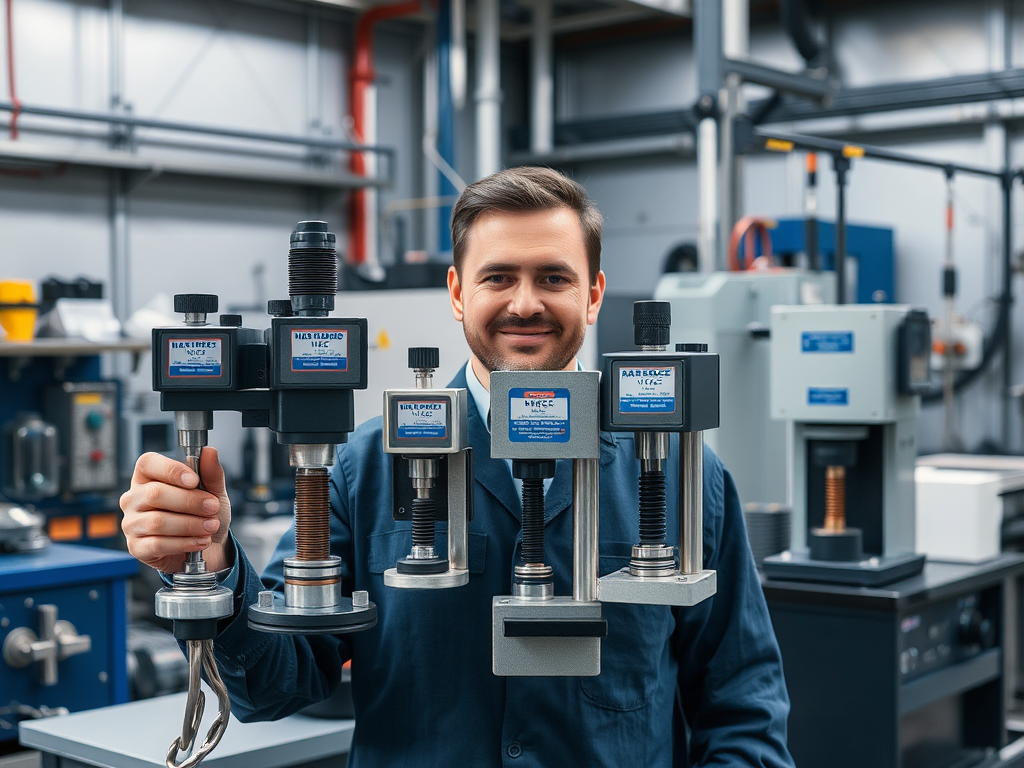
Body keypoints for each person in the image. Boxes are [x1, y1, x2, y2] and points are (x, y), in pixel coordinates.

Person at [121, 167, 794, 767]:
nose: (525, 303)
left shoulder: (683, 476)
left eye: (554, 278)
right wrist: (211, 565)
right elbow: (274, 685)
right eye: (498, 276)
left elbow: (743, 702)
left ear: (594, 295)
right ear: (456, 292)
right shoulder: (363, 465)